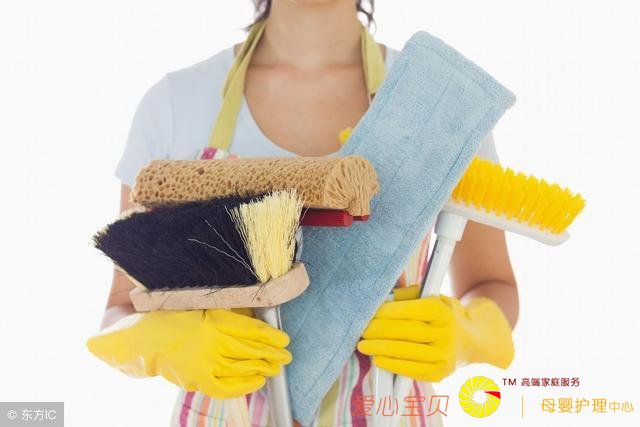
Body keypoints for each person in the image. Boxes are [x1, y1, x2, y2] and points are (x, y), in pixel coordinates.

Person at [87, 1, 519, 426]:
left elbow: (491, 282)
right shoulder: (176, 104)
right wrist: (163, 343)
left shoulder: (438, 104)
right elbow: (121, 306)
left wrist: (467, 333)